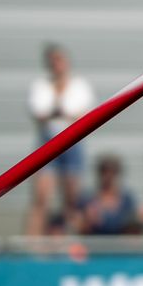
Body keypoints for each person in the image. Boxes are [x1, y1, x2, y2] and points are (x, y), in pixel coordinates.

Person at [26, 44, 95, 235]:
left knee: (72, 199)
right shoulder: (41, 85)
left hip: (72, 142)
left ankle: (70, 243)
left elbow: (83, 115)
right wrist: (61, 109)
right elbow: (39, 113)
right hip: (48, 142)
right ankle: (33, 246)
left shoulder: (79, 85)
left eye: (60, 60)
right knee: (41, 197)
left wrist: (56, 111)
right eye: (53, 61)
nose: (57, 65)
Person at [75, 156, 138, 235]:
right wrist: (88, 221)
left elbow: (133, 230)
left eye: (112, 172)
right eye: (104, 171)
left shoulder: (127, 200)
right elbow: (79, 229)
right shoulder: (88, 198)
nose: (108, 176)